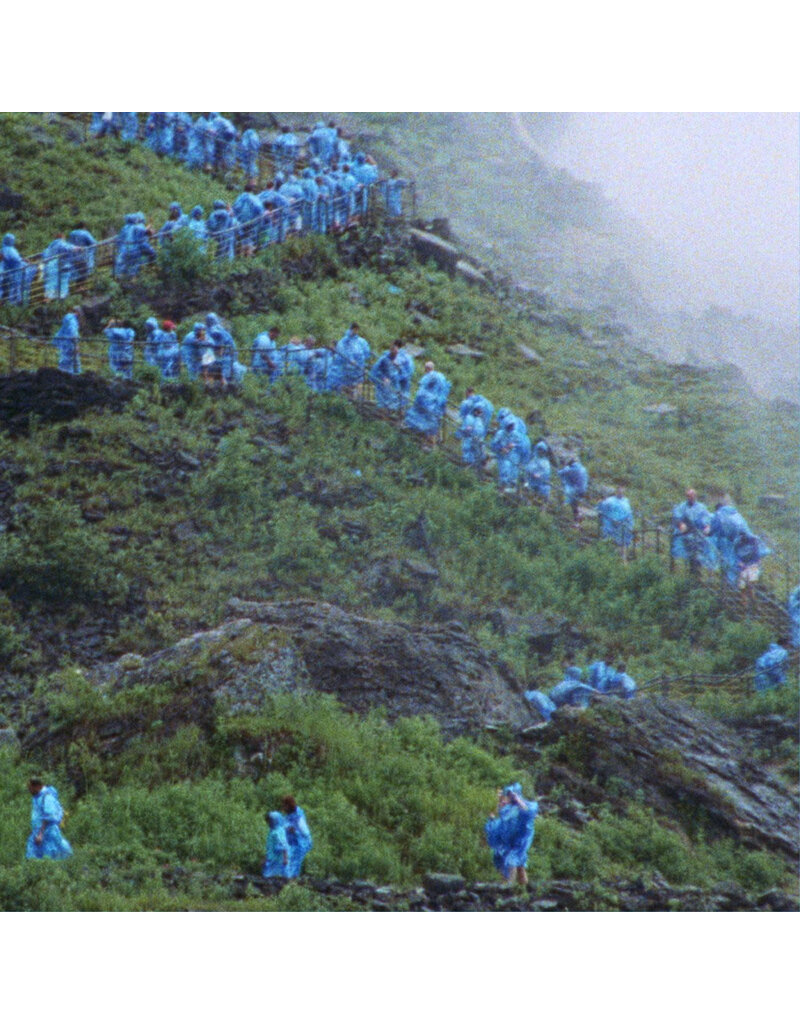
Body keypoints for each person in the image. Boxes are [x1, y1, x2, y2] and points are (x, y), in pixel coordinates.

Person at [484, 783, 538, 887]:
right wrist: (491, 819)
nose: (502, 801)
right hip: (509, 842)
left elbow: (528, 813)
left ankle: (509, 886)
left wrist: (516, 799)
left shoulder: (518, 808)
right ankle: (523, 888)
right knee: (517, 864)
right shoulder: (506, 811)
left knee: (511, 860)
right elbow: (497, 827)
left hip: (519, 841)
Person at [709, 500, 770, 588]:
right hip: (741, 539)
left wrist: (707, 532)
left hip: (727, 542)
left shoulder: (718, 515)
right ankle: (745, 583)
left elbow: (712, 530)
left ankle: (729, 585)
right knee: (741, 562)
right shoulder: (734, 512)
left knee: (728, 561)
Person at [404, 361, 451, 448]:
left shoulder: (428, 377)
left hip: (429, 405)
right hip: (438, 406)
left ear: (427, 369)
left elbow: (421, 393)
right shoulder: (441, 376)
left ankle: (429, 444)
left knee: (425, 423)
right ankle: (435, 443)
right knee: (435, 424)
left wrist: (418, 402)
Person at [671, 489, 718, 572]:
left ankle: (699, 571)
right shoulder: (682, 507)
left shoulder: (701, 507)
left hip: (699, 534)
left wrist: (707, 526)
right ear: (686, 497)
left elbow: (706, 518)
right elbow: (677, 517)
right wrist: (681, 524)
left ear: (695, 496)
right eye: (689, 496)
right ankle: (691, 571)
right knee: (689, 554)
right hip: (686, 533)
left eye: (693, 495)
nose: (691, 497)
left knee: (700, 554)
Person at [26, 779, 72, 861]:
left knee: (50, 853)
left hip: (47, 831)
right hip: (39, 831)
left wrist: (40, 834)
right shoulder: (37, 797)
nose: (29, 790)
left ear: (37, 786)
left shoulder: (47, 797)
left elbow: (48, 817)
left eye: (30, 788)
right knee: (34, 854)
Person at [326, 323, 372, 392]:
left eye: (356, 330)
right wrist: (350, 360)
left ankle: (356, 399)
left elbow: (366, 352)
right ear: (351, 329)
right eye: (354, 329)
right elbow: (342, 352)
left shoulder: (361, 341)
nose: (355, 331)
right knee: (346, 389)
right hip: (346, 371)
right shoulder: (344, 341)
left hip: (358, 370)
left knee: (357, 388)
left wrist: (363, 362)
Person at [597, 486, 634, 561]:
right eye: (619, 489)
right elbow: (602, 511)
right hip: (613, 525)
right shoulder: (609, 501)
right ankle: (614, 560)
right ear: (616, 491)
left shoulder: (626, 500)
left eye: (622, 489)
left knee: (623, 544)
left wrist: (630, 523)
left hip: (624, 525)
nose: (621, 491)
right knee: (615, 543)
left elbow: (629, 512)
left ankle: (623, 561)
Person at [281, 795, 312, 878]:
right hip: (290, 844)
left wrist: (295, 832)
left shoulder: (298, 817)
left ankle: (292, 880)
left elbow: (305, 833)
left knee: (294, 863)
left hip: (299, 844)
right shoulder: (287, 818)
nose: (283, 808)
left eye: (285, 806)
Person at [1, 233, 35, 305]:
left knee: (14, 289)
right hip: (16, 272)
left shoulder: (4, 250)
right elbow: (16, 260)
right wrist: (25, 261)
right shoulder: (10, 250)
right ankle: (18, 304)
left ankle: (15, 304)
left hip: (12, 273)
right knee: (19, 288)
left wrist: (23, 260)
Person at [369, 341, 404, 411]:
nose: (396, 354)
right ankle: (382, 412)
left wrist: (399, 367)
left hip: (394, 384)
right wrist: (383, 377)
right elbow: (375, 370)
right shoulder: (384, 359)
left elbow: (401, 372)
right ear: (391, 351)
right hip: (384, 384)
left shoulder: (397, 360)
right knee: (383, 401)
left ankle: (391, 412)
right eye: (394, 352)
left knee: (394, 400)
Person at [558, 455, 589, 524]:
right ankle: (578, 520)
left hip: (575, 490)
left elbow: (559, 473)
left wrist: (564, 467)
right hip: (583, 489)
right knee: (576, 504)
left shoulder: (571, 469)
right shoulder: (583, 468)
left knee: (573, 505)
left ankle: (576, 519)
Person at [262, 811, 290, 878]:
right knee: (268, 876)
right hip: (271, 858)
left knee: (278, 877)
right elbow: (269, 846)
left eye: (270, 821)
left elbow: (284, 845)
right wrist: (265, 858)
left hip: (279, 859)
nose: (269, 823)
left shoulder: (279, 831)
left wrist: (285, 858)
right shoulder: (272, 831)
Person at [52, 309, 81, 374]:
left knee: (67, 359)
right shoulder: (72, 319)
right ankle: (68, 374)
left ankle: (66, 373)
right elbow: (73, 332)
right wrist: (76, 344)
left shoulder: (68, 318)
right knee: (68, 360)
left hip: (64, 341)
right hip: (69, 343)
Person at [394, 339, 415, 409]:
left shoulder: (399, 354)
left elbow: (396, 363)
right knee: (405, 393)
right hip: (408, 376)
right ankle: (403, 409)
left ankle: (398, 409)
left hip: (401, 376)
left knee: (397, 392)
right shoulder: (408, 354)